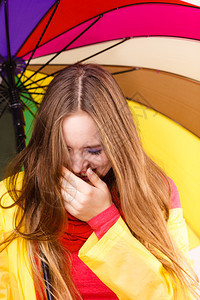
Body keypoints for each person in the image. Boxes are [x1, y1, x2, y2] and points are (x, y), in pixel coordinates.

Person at [0, 64, 199, 300]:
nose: (76, 166)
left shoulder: (155, 193)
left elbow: (179, 296)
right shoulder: (11, 201)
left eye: (93, 151)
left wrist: (104, 220)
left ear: (118, 143)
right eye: (62, 149)